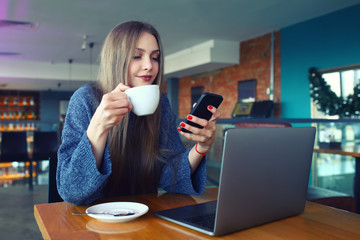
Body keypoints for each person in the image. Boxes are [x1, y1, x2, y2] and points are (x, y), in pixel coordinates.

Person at [57, 21, 221, 205]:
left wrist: (201, 148)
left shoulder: (161, 103)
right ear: (116, 59)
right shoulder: (85, 99)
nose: (149, 65)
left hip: (146, 217)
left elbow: (168, 176)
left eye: (155, 57)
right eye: (137, 56)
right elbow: (71, 191)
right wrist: (98, 127)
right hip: (93, 223)